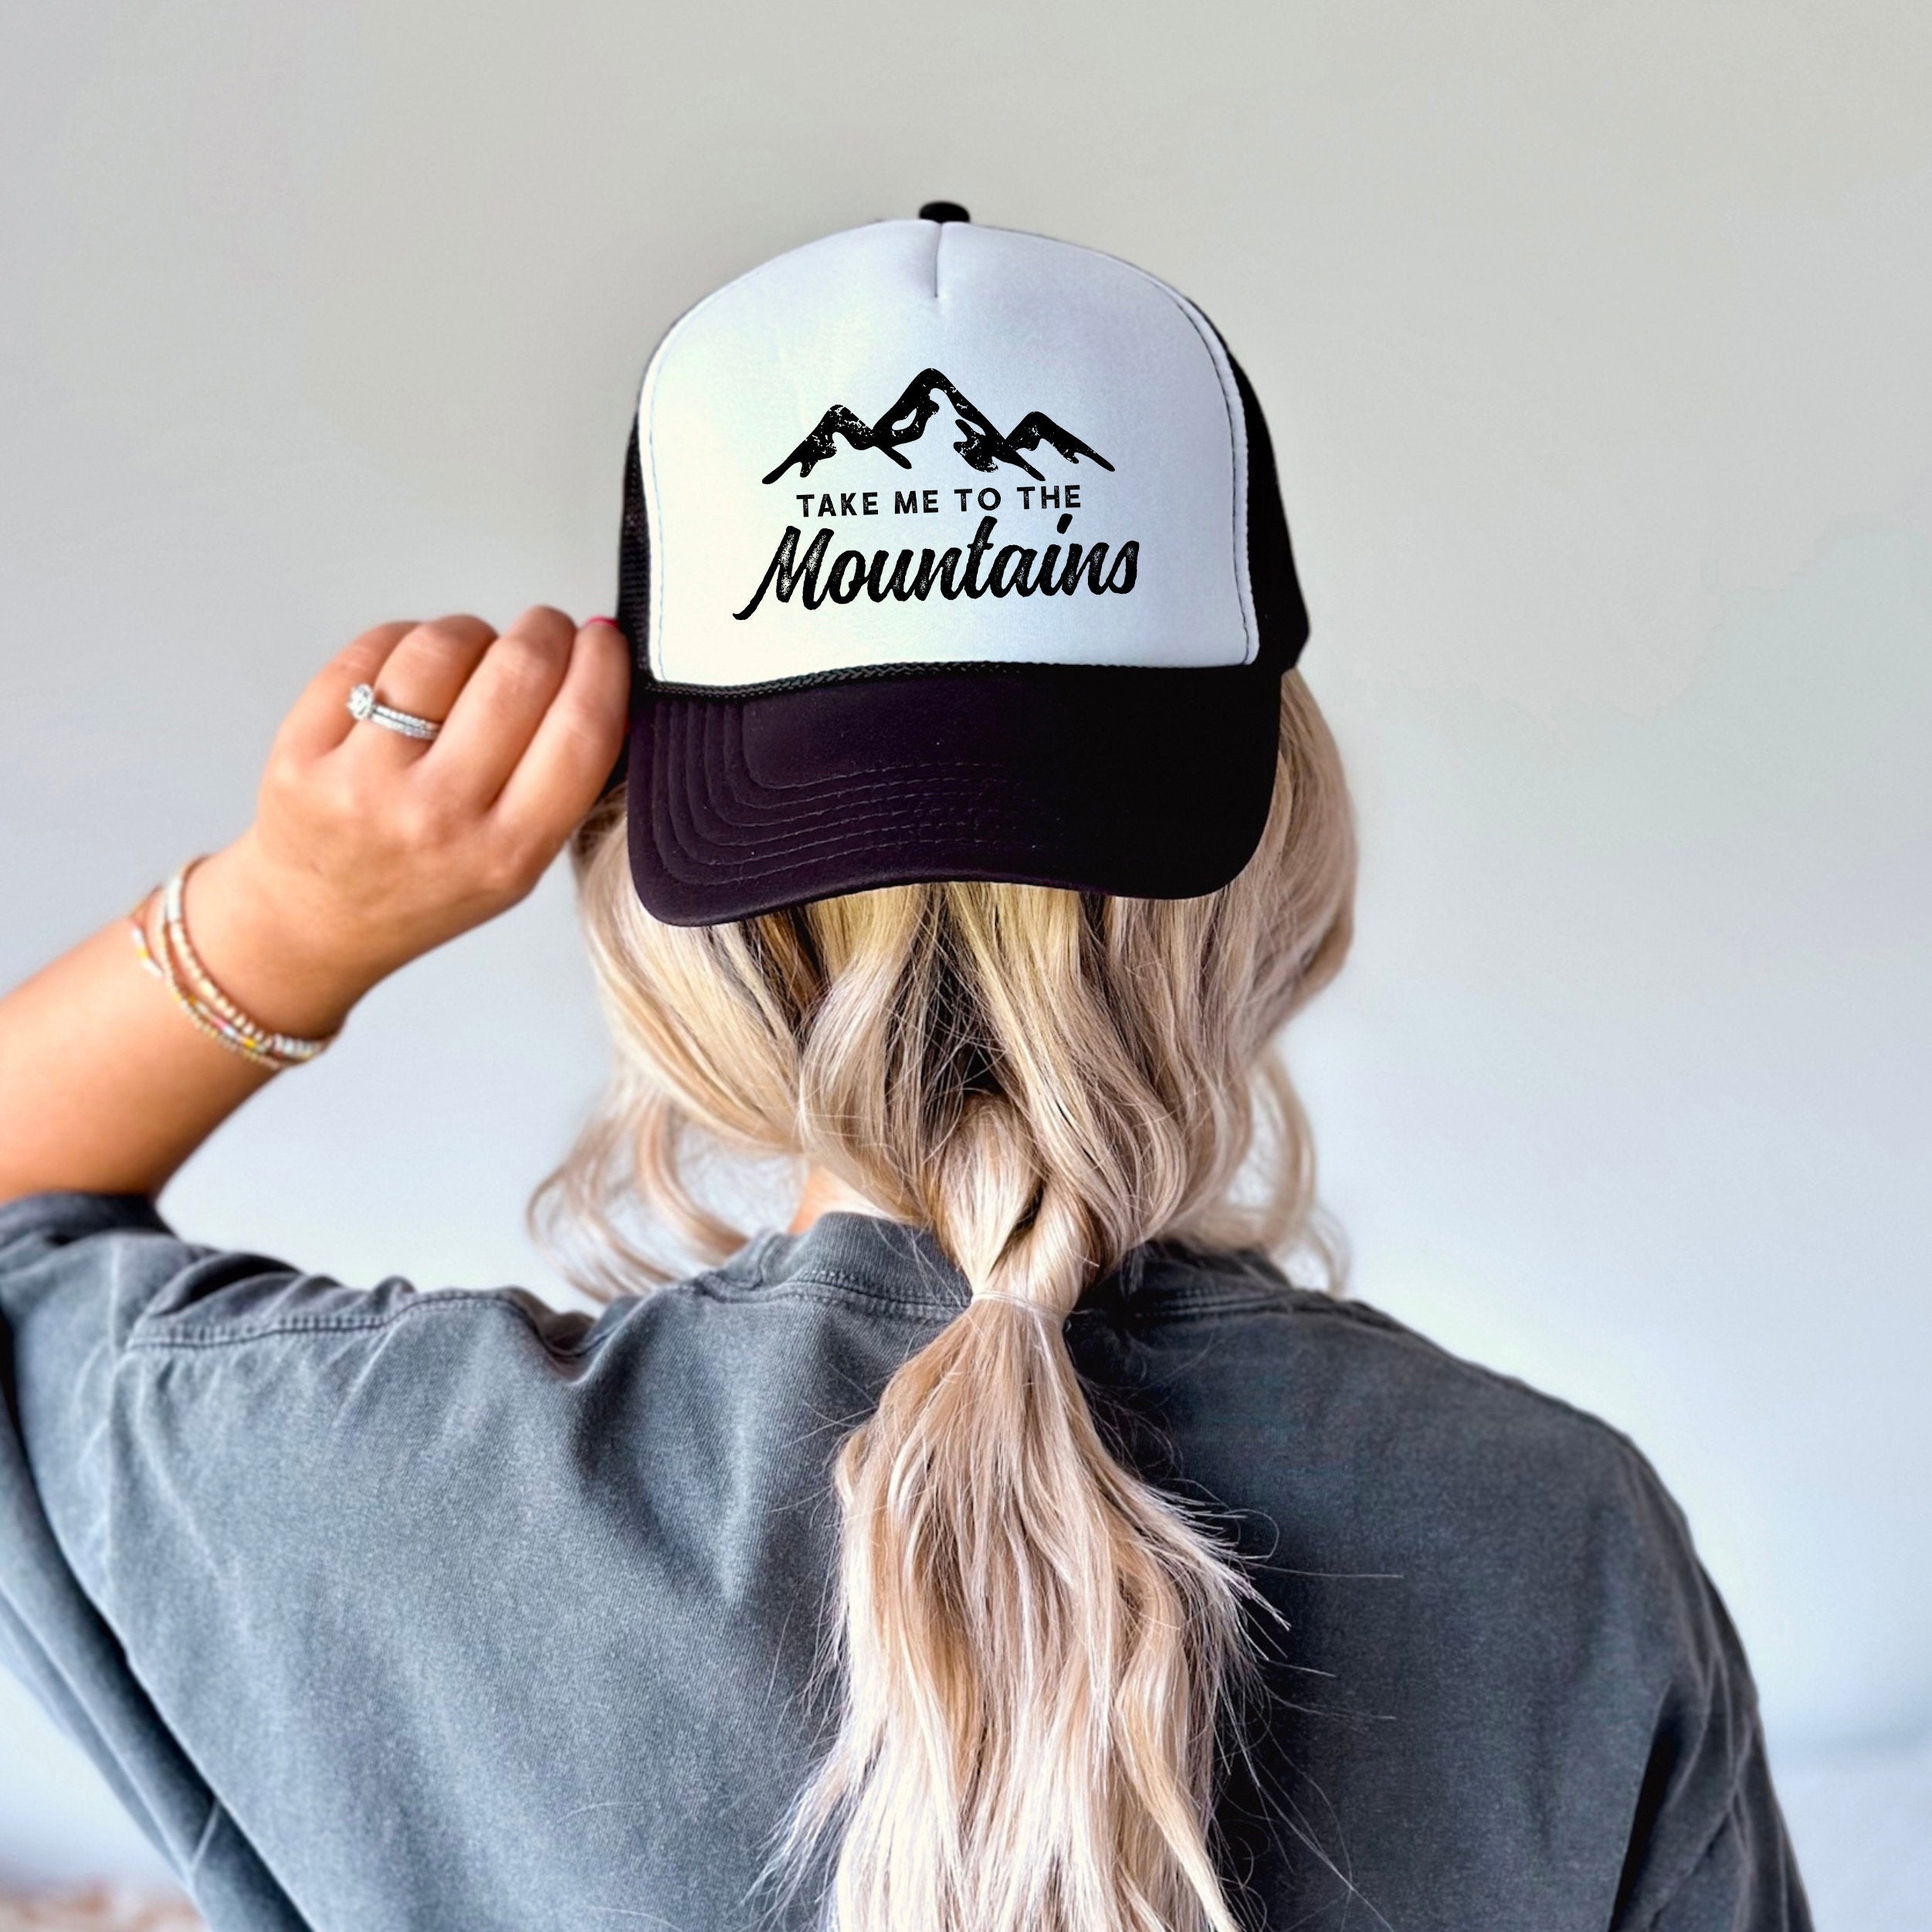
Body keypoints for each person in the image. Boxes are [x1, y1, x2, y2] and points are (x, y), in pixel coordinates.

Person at [0, 209, 1808, 1932]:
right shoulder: (1560, 1547)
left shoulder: (351, 1492)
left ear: (647, 881)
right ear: (1285, 849)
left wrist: (289, 918)